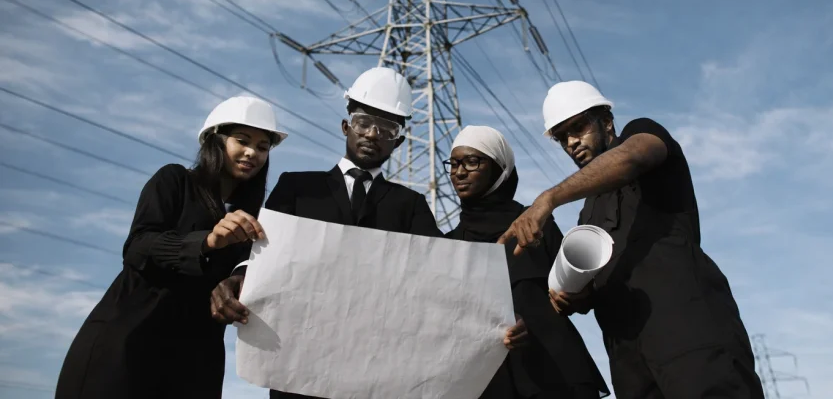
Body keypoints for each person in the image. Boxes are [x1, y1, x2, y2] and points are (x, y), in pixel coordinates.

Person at [210, 68, 527, 399]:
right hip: (300, 364)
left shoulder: (411, 205)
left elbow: (446, 274)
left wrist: (498, 314)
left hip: (377, 373)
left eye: (387, 129)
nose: (373, 134)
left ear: (399, 141)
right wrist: (239, 277)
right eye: (363, 123)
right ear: (346, 126)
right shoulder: (297, 187)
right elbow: (263, 247)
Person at [497, 81, 765, 399]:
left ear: (607, 121)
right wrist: (574, 297)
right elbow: (592, 292)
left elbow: (634, 157)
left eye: (578, 127)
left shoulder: (642, 135)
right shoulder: (588, 214)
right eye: (561, 137)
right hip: (629, 363)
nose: (571, 142)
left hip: (689, 334)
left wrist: (548, 198)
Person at [55, 95, 287, 399]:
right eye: (242, 140)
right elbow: (138, 247)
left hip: (195, 363)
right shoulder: (174, 181)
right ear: (215, 142)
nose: (251, 152)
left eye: (262, 147)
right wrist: (206, 241)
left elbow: (249, 277)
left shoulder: (255, 222)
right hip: (129, 344)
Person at [445, 125, 610, 399]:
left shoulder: (534, 223)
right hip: (490, 384)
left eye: (472, 162)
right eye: (453, 164)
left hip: (555, 374)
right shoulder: (450, 244)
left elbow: (582, 295)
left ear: (500, 169)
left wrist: (573, 297)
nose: (459, 172)